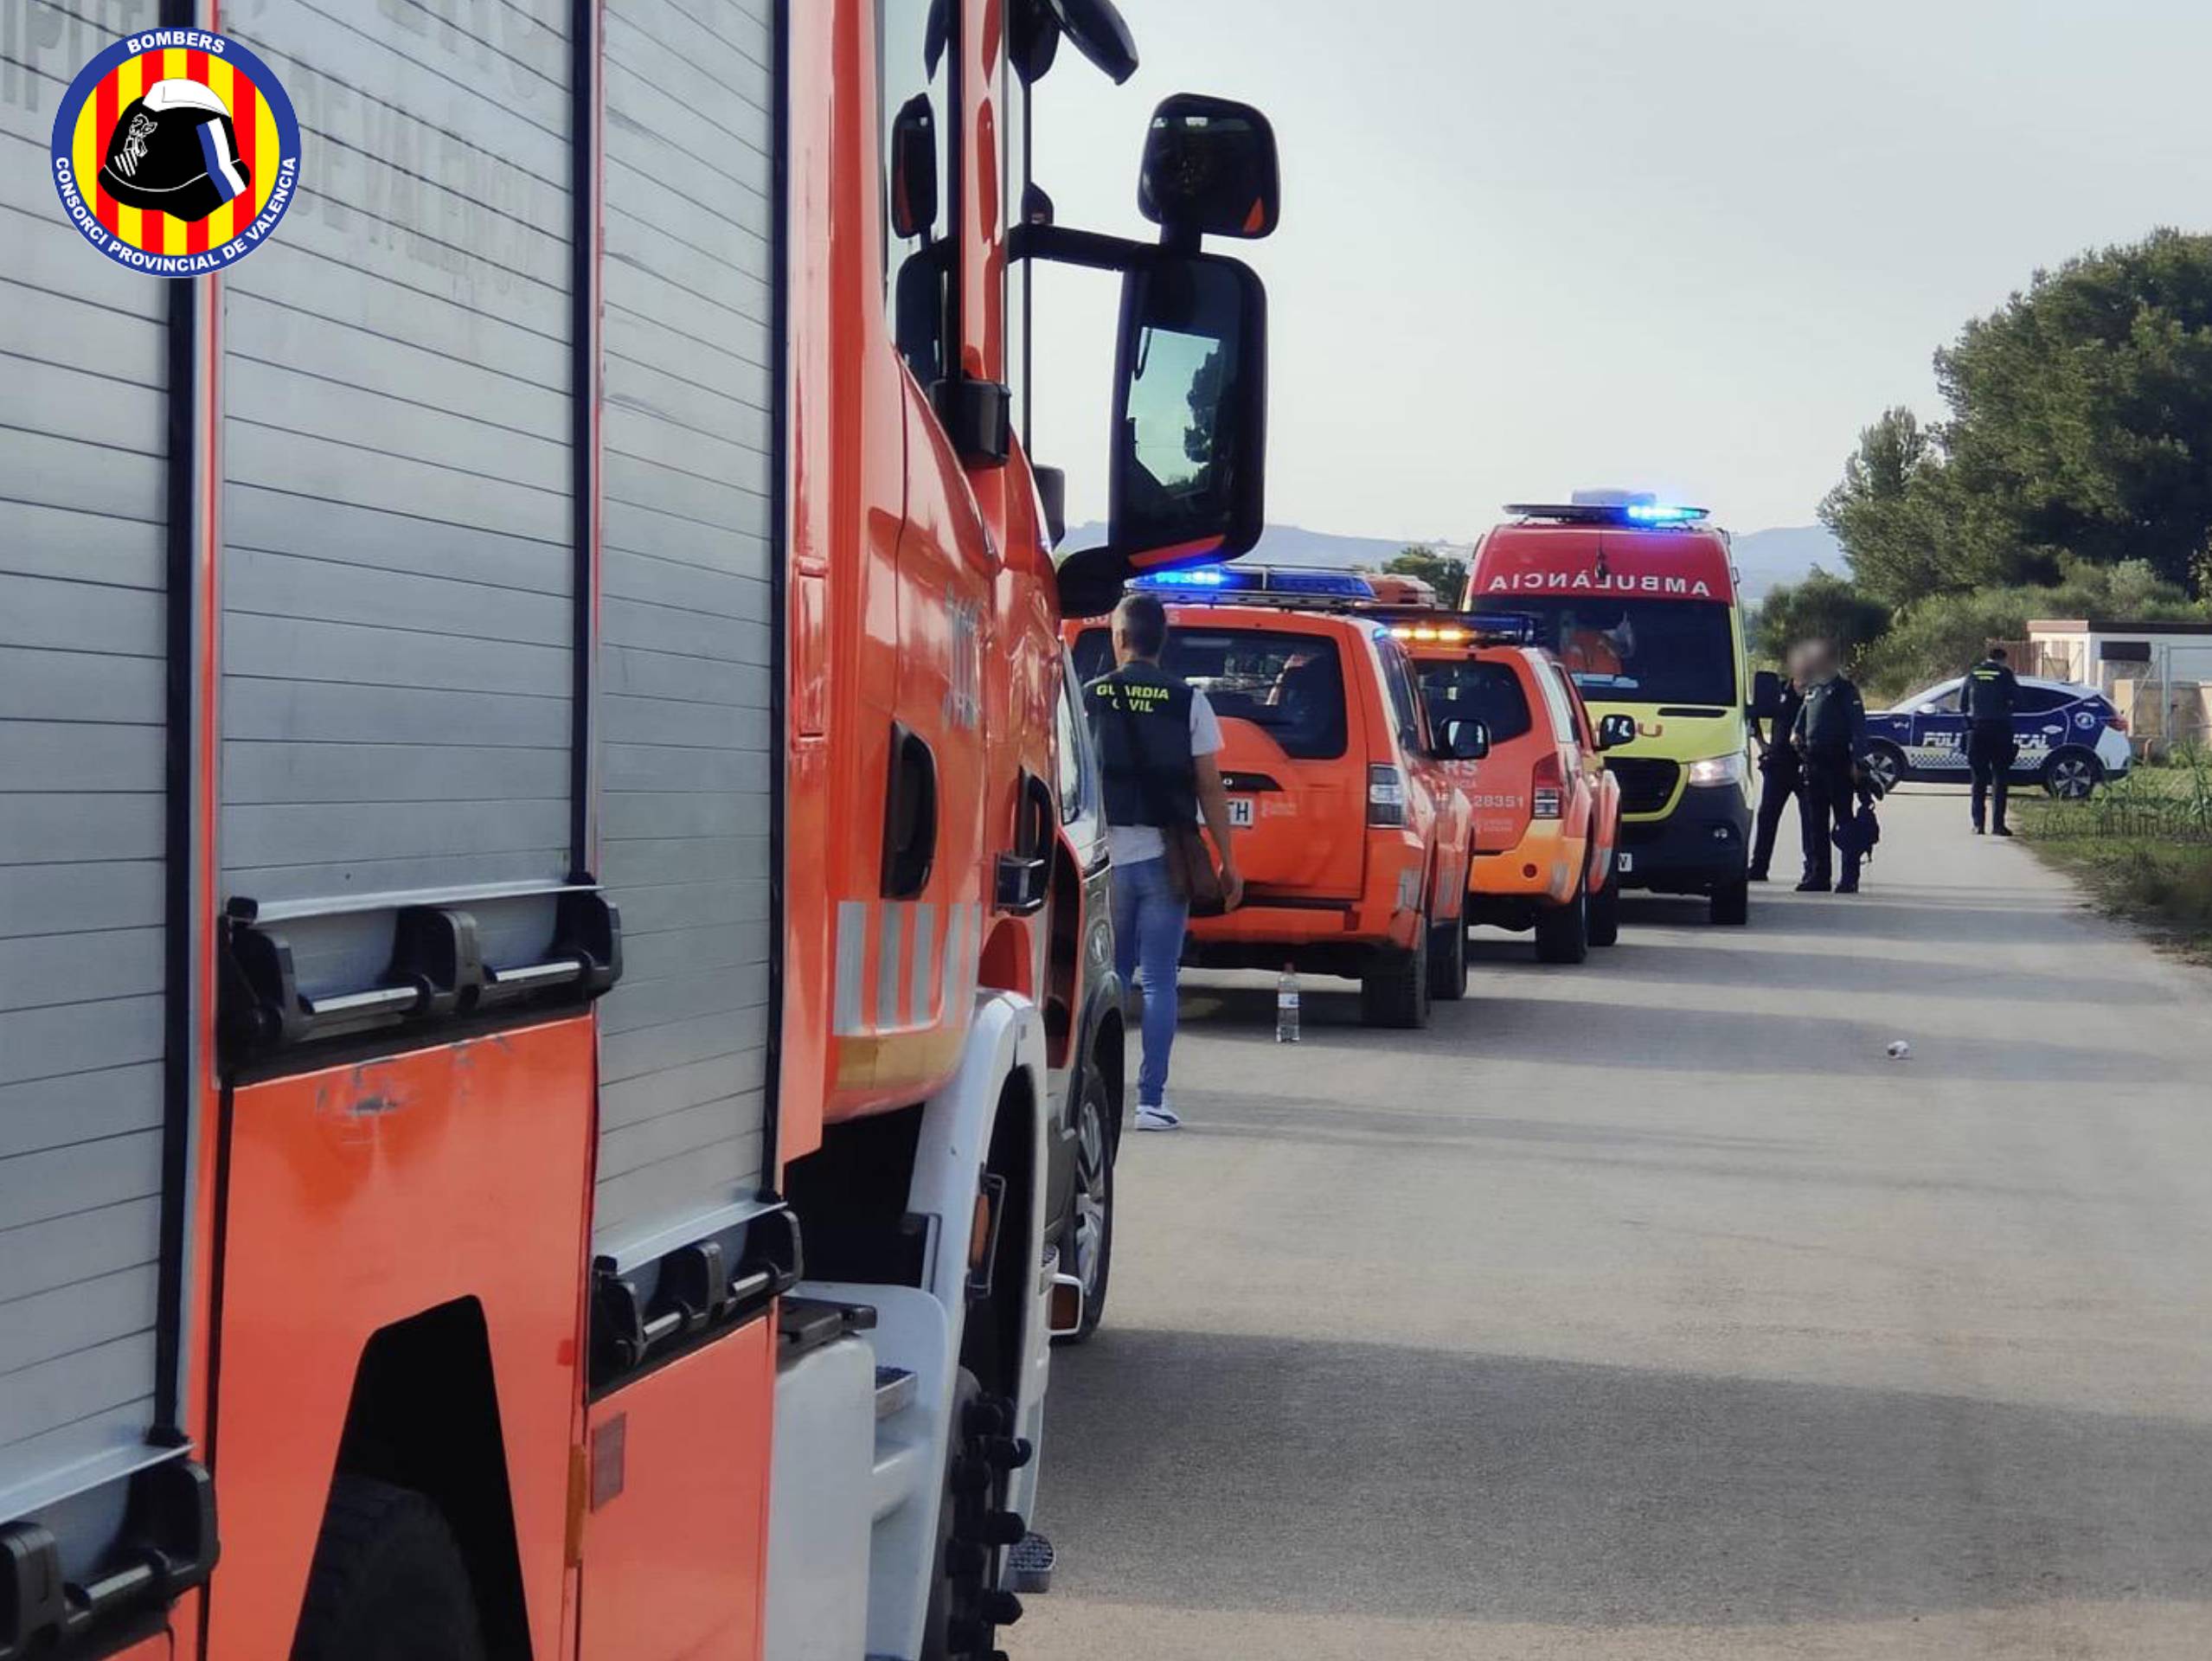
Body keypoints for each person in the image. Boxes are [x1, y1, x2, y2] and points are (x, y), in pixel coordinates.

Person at [1083, 592, 1242, 1132]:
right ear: (1162, 641)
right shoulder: (1188, 701)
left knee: (1108, 981)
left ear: (1120, 638)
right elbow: (1210, 788)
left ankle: (1094, 1102)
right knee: (1159, 983)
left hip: (1101, 865)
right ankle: (1151, 1101)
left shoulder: (1089, 696)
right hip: (1162, 861)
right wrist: (1228, 861)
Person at [1791, 639, 1869, 894]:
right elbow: (1801, 722)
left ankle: (1849, 878)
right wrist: (1796, 735)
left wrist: (1858, 762)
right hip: (1813, 763)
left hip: (1839, 764)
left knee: (1845, 822)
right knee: (1816, 822)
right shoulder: (1813, 689)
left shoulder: (1845, 690)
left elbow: (1858, 728)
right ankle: (1819, 875)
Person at [1748, 645, 1808, 882]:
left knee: (1810, 820)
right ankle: (1759, 868)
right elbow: (1755, 713)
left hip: (1806, 765)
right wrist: (1762, 743)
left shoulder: (1817, 694)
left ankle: (1812, 871)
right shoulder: (1780, 691)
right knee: (1767, 818)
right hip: (1779, 763)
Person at [1962, 645, 2022, 837]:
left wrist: (1970, 725)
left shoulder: (1972, 674)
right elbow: (2019, 699)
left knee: (1978, 779)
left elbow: (1962, 705)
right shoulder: (2005, 674)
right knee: (2000, 778)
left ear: (1988, 658)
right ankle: (1998, 826)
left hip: (1977, 730)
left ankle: (1978, 825)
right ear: (2003, 659)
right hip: (2000, 730)